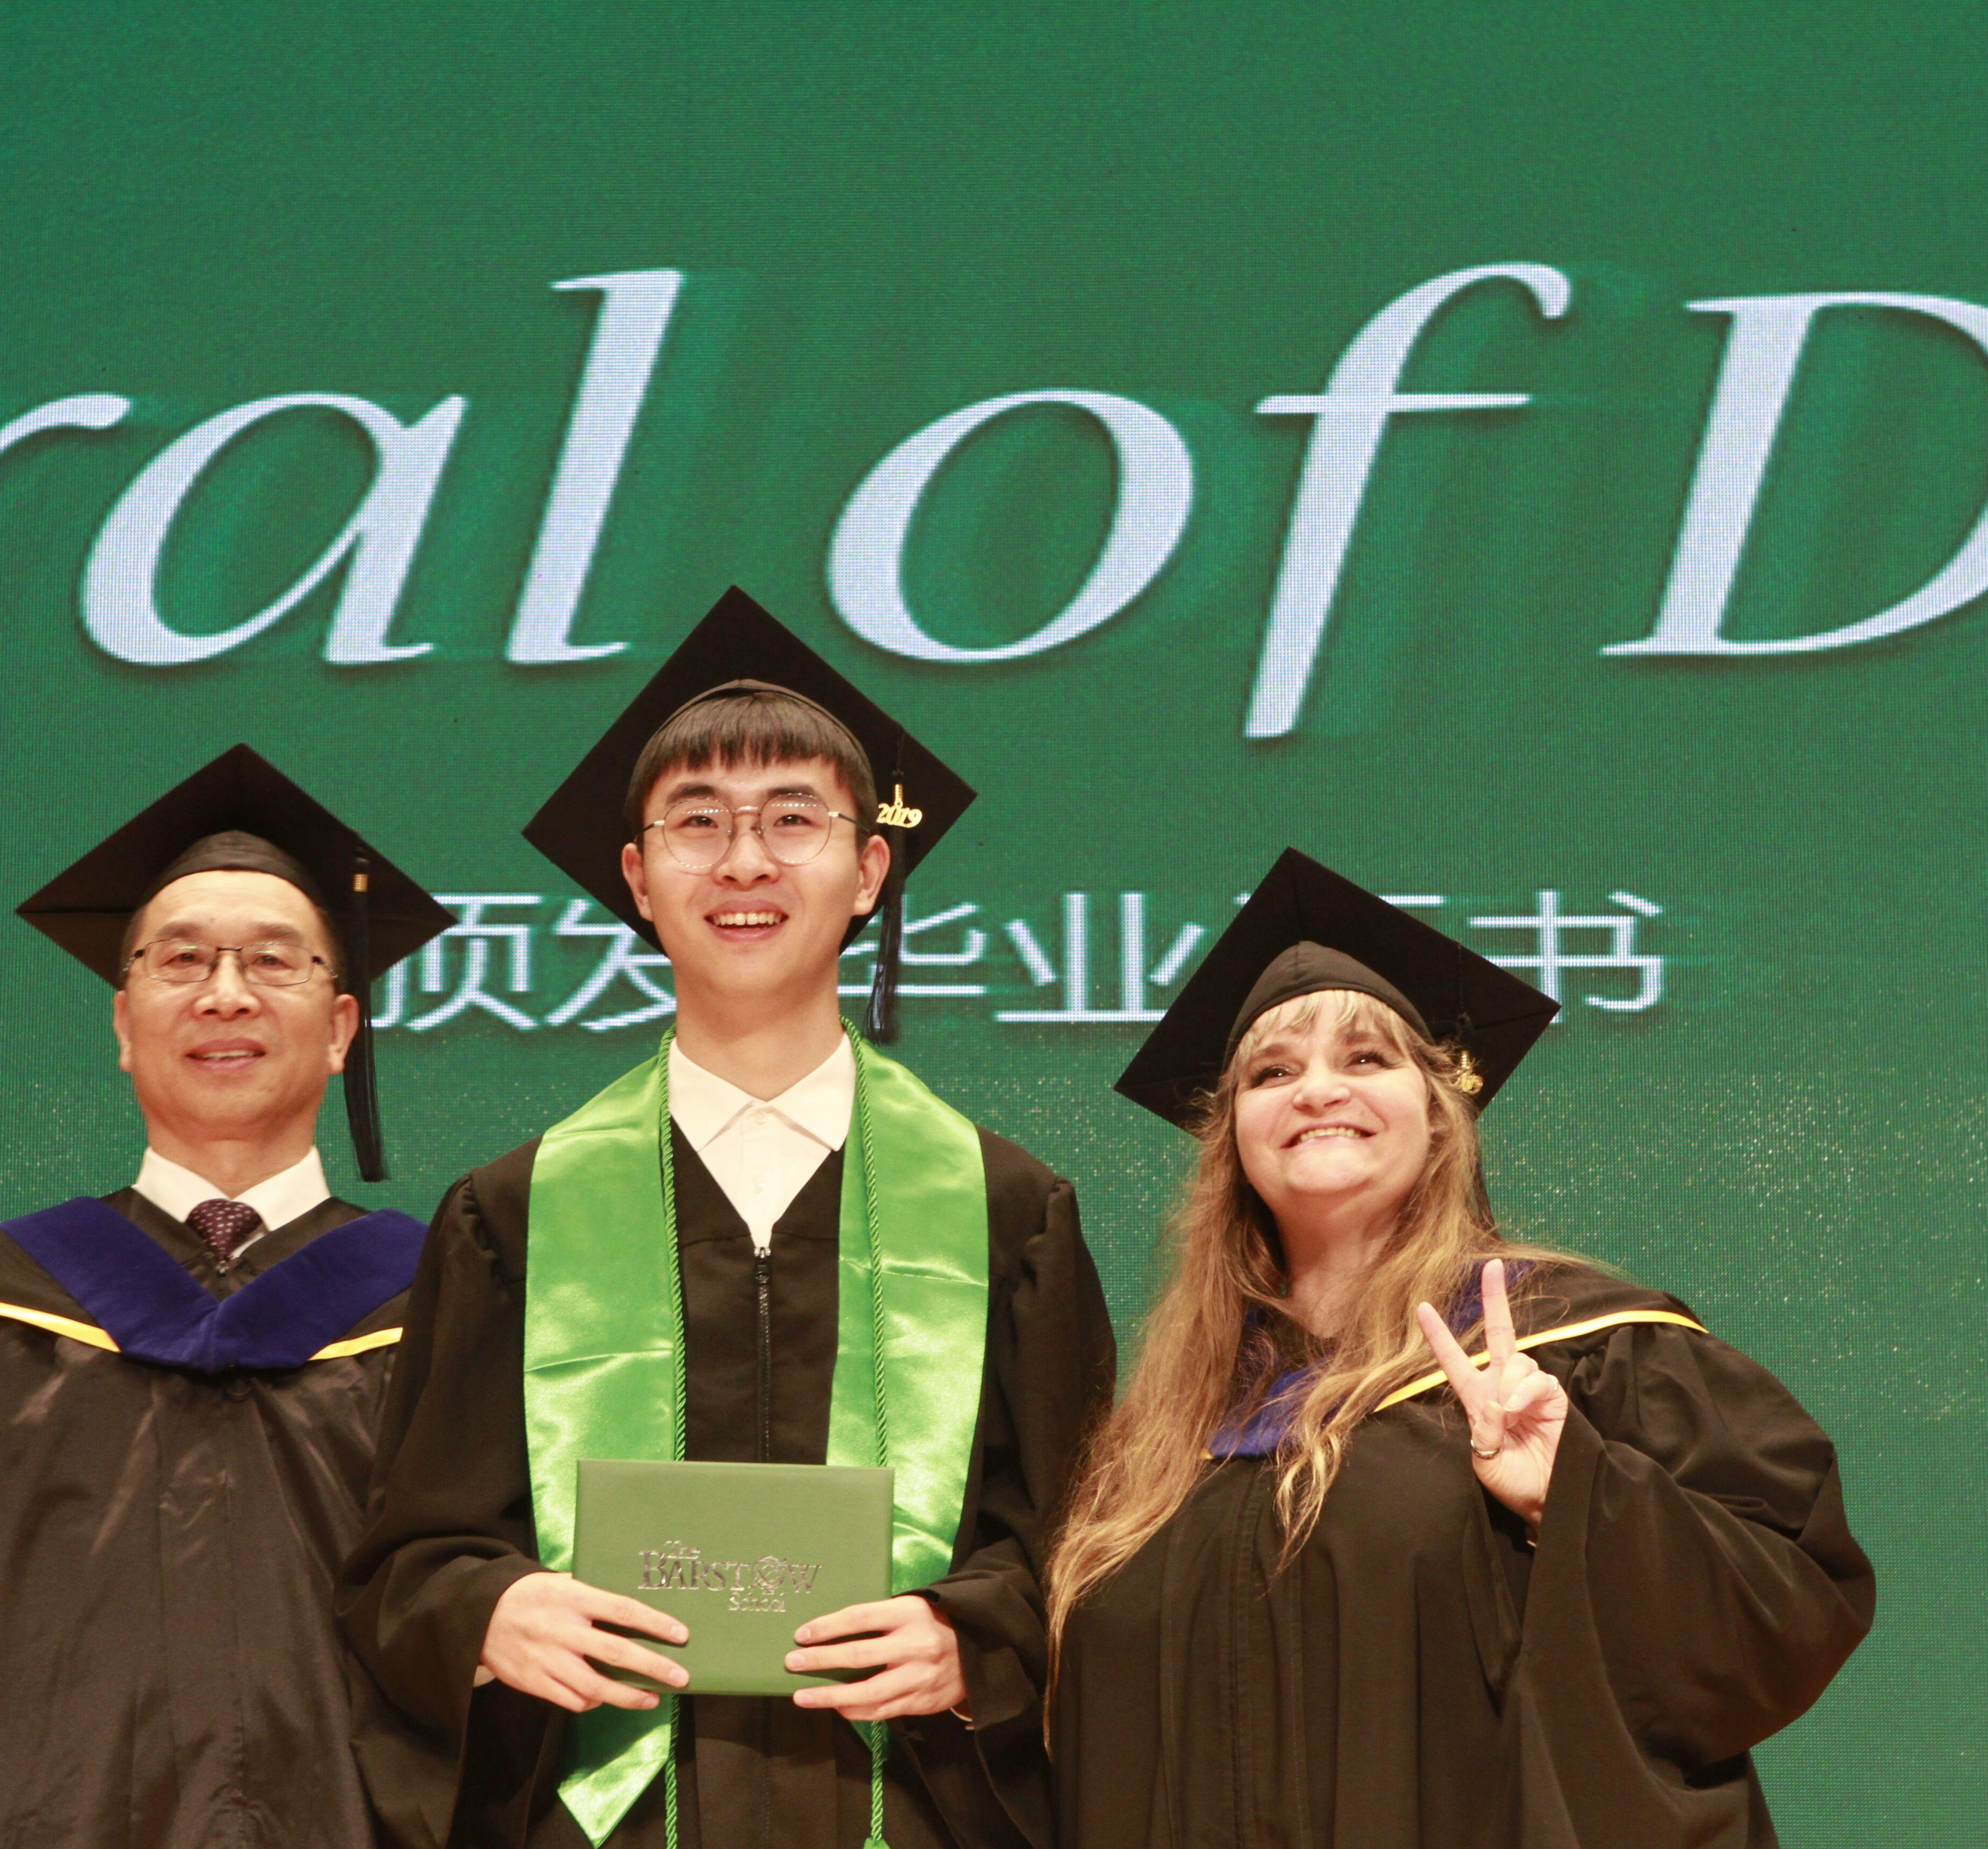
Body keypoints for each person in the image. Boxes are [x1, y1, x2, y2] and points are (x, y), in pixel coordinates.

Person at [341, 588, 1117, 1849]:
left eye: (793, 820)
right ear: (639, 879)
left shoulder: (1005, 1211)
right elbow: (405, 1564)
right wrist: (488, 1613)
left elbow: (1086, 1547)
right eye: (697, 823)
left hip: (907, 1812)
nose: (745, 863)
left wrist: (976, 1641)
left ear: (870, 871)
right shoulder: (514, 1214)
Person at [1043, 848, 1875, 1848]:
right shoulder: (1165, 1435)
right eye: (1273, 1072)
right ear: (1232, 1139)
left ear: (1442, 1115)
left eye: (1366, 1059)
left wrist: (1576, 1492)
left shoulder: (1573, 1348)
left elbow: (1789, 1608)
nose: (1316, 1091)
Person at [0, 744, 453, 1849]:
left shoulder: (446, 1304)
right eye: (182, 960)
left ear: (342, 1029)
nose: (226, 993)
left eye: (274, 961)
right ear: (122, 1024)